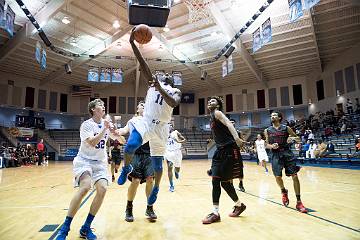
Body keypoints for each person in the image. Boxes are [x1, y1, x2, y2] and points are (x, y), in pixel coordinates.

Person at [117, 28, 182, 209]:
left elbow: (174, 103)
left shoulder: (175, 91)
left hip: (162, 127)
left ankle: (157, 189)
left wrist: (160, 88)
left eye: (166, 75)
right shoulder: (153, 82)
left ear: (171, 81)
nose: (164, 74)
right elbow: (142, 62)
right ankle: (125, 169)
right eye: (161, 74)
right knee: (130, 145)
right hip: (147, 122)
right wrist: (131, 43)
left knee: (158, 167)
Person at [55, 99, 125, 240]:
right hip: (84, 160)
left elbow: (122, 141)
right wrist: (105, 129)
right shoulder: (86, 125)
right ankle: (65, 228)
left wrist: (115, 133)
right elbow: (92, 143)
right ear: (93, 109)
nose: (103, 107)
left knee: (103, 189)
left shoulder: (107, 124)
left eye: (104, 105)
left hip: (99, 163)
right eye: (100, 105)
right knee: (85, 186)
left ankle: (86, 228)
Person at [202, 96, 246, 224]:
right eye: (209, 100)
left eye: (213, 101)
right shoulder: (212, 117)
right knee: (221, 182)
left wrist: (237, 138)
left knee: (222, 182)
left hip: (229, 150)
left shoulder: (217, 113)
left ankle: (218, 212)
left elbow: (228, 123)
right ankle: (236, 206)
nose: (210, 102)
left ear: (219, 105)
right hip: (219, 151)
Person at [116, 102, 157, 222]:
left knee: (150, 180)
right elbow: (124, 130)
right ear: (137, 109)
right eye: (141, 105)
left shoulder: (151, 121)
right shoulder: (133, 121)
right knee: (135, 181)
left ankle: (149, 208)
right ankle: (129, 208)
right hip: (135, 154)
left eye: (145, 105)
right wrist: (116, 131)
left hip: (149, 154)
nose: (144, 106)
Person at [264, 111, 307, 213]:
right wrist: (271, 146)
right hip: (275, 155)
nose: (272, 117)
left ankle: (299, 202)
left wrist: (291, 139)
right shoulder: (267, 130)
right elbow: (266, 144)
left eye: (274, 115)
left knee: (295, 176)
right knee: (278, 177)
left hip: (287, 153)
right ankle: (283, 191)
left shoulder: (286, 128)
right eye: (271, 116)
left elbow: (298, 139)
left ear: (279, 118)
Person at [165, 125, 186, 192]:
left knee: (177, 168)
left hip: (177, 152)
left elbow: (184, 140)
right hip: (168, 153)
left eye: (170, 126)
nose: (169, 127)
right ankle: (171, 185)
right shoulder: (163, 134)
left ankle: (176, 172)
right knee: (169, 168)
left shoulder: (176, 133)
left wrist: (179, 141)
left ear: (172, 128)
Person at [229, 119, 247, 191]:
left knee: (240, 169)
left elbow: (242, 143)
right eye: (230, 122)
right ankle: (231, 185)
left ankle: (241, 183)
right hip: (229, 153)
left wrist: (241, 143)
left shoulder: (239, 132)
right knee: (230, 169)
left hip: (236, 152)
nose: (232, 123)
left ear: (235, 123)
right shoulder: (226, 132)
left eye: (233, 122)